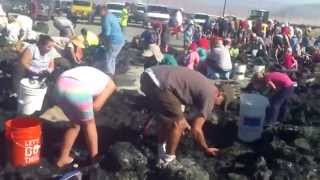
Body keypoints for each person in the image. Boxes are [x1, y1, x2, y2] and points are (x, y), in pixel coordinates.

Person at [140, 65, 230, 167]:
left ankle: (161, 153)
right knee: (179, 124)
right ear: (220, 94)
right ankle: (168, 161)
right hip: (160, 83)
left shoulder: (206, 85)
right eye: (222, 103)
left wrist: (184, 121)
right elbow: (196, 129)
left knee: (169, 120)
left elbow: (182, 109)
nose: (218, 106)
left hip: (149, 76)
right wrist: (205, 149)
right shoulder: (211, 95)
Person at [55, 66, 116, 168]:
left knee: (75, 125)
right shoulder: (111, 86)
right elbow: (96, 106)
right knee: (90, 124)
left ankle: (62, 159)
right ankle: (94, 161)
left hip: (59, 85)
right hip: (77, 88)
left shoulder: (96, 75)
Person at [100, 5, 125, 76]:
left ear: (104, 11)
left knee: (108, 58)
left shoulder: (106, 18)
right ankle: (112, 73)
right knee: (112, 58)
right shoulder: (112, 16)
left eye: (99, 12)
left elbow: (107, 32)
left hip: (114, 40)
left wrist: (103, 40)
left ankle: (109, 74)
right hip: (120, 40)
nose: (99, 14)